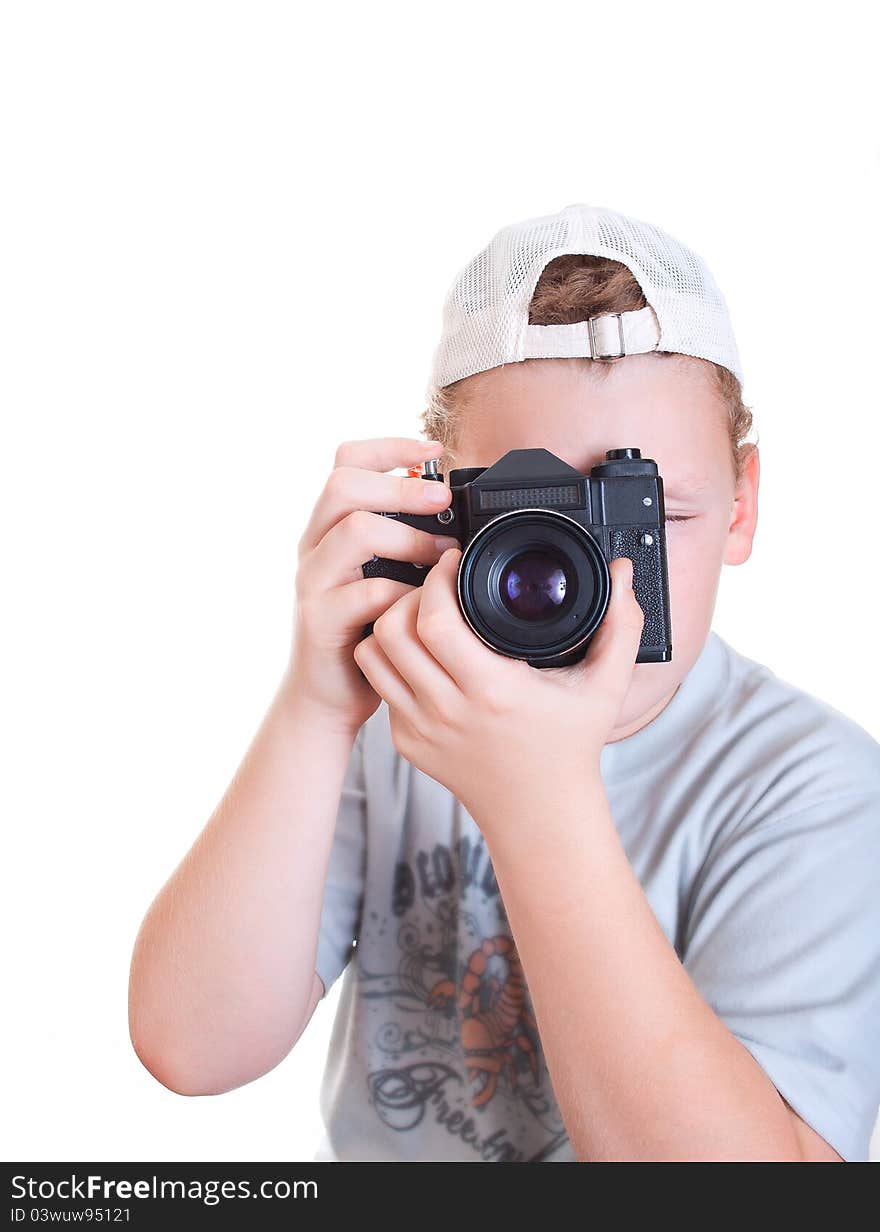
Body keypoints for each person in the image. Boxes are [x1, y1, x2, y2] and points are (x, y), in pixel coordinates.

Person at [128, 204, 880, 1162]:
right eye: (530, 512)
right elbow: (192, 1049)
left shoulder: (813, 787)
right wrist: (317, 705)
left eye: (644, 513)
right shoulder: (400, 719)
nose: (574, 573)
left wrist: (539, 802)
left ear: (743, 506)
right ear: (437, 496)